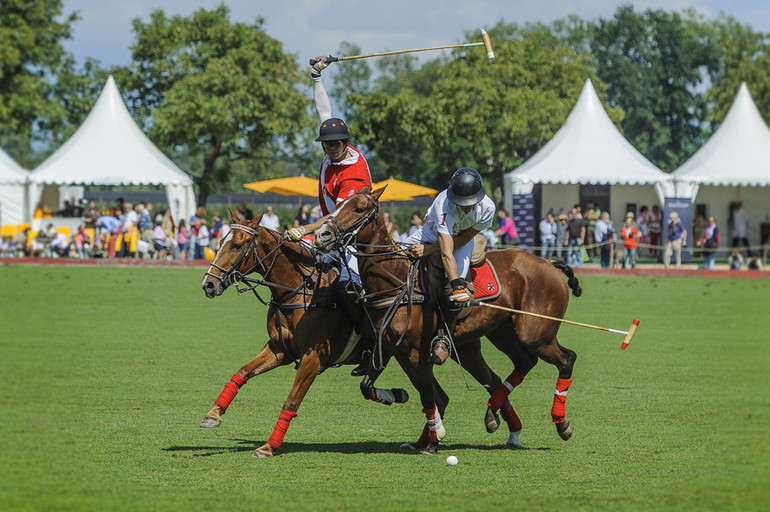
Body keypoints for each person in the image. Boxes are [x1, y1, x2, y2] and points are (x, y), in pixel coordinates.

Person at [285, 54, 374, 376]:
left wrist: (304, 228)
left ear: (346, 142)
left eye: (336, 144)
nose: (331, 148)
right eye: (327, 144)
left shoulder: (355, 174)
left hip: (351, 238)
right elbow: (325, 110)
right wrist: (316, 76)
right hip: (331, 233)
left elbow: (340, 216)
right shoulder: (332, 150)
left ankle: (369, 346)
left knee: (352, 287)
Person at [406, 167, 495, 365]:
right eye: (461, 203)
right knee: (394, 255)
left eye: (469, 204)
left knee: (452, 292)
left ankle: (443, 339)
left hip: (462, 241)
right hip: (429, 233)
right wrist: (427, 249)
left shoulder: (488, 208)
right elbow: (445, 251)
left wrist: (455, 284)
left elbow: (463, 239)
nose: (465, 207)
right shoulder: (443, 205)